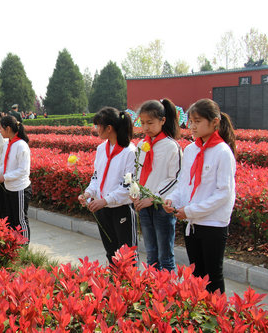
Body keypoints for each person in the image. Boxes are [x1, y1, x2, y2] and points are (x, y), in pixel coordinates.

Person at [163, 98, 236, 293]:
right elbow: (184, 183)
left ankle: (219, 317)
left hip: (213, 222)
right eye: (191, 121)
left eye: (197, 121)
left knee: (213, 275)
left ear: (214, 122)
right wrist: (173, 200)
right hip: (192, 222)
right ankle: (201, 317)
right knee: (197, 274)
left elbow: (224, 193)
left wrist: (191, 210)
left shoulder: (222, 152)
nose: (192, 126)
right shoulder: (191, 150)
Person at [78, 107, 136, 265]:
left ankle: (129, 288)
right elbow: (96, 176)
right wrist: (89, 193)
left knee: (126, 255)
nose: (95, 129)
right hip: (103, 209)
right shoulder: (101, 149)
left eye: (98, 125)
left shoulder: (129, 151)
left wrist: (105, 200)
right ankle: (114, 286)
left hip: (121, 208)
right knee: (111, 252)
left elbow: (128, 186)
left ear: (109, 128)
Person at [133, 99, 182, 271]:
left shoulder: (171, 146)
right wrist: (135, 192)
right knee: (151, 253)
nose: (146, 127)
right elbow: (137, 172)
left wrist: (153, 198)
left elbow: (175, 178)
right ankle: (153, 292)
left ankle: (168, 293)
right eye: (143, 123)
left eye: (150, 123)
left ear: (163, 120)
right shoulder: (141, 145)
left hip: (162, 207)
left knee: (165, 256)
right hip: (144, 206)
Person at [0, 115, 31, 243]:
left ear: (8, 128)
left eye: (1, 129)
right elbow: (5, 164)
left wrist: (4, 177)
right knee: (12, 219)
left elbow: (23, 170)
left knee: (20, 219)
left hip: (20, 188)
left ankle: (24, 244)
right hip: (9, 187)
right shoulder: (8, 143)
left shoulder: (21, 145)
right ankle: (15, 244)